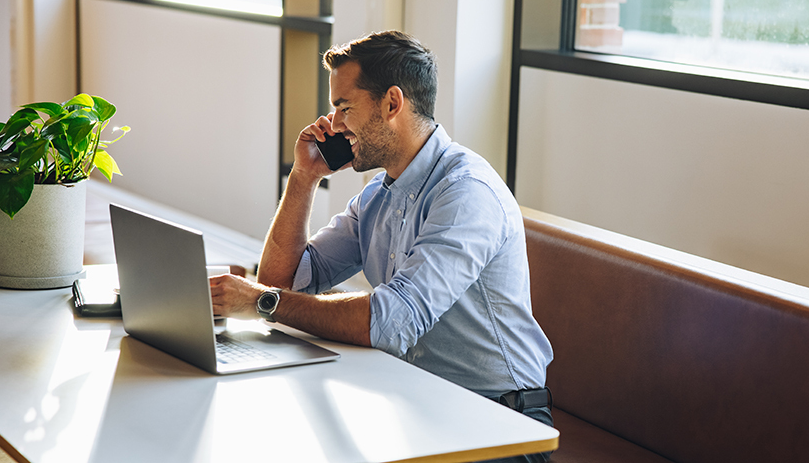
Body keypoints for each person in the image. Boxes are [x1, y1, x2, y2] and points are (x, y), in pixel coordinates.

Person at [210, 31, 554, 462]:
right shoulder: (379, 194)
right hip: (417, 399)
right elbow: (283, 279)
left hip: (499, 423)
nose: (333, 124)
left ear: (392, 104)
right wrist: (303, 178)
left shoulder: (466, 194)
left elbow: (391, 323)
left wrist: (264, 303)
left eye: (344, 107)